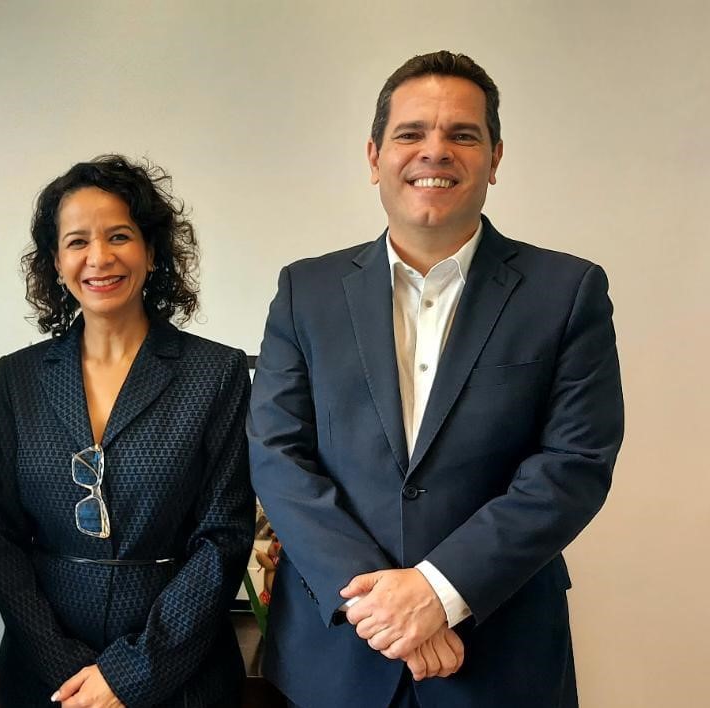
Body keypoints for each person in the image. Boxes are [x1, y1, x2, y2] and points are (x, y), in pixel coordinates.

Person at [247, 51, 624, 708]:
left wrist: (439, 591)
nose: (435, 151)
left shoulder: (567, 291)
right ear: (374, 157)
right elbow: (278, 455)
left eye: (462, 134)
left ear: (494, 158)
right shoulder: (305, 291)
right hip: (333, 655)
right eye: (411, 133)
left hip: (498, 658)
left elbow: (573, 464)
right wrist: (384, 606)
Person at [0, 155, 254, 708]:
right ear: (56, 262)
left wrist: (130, 676)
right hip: (47, 674)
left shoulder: (216, 372)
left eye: (120, 236)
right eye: (77, 241)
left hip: (180, 673)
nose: (99, 257)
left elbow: (223, 538)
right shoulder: (19, 376)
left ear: (152, 252)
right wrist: (66, 668)